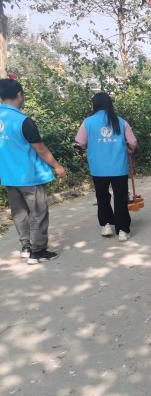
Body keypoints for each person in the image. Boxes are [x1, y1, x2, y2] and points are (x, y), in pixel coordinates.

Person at [0, 78, 66, 264]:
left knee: (19, 214)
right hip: (30, 176)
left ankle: (26, 247)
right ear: (19, 94)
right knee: (38, 213)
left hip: (8, 176)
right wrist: (57, 166)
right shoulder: (23, 121)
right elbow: (41, 149)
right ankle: (38, 252)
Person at [75, 92, 138, 242]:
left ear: (94, 105)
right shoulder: (121, 121)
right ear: (110, 104)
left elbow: (80, 143)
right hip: (119, 168)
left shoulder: (87, 122)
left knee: (102, 197)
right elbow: (133, 142)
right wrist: (130, 150)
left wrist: (91, 146)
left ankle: (106, 225)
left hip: (98, 168)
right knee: (120, 198)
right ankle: (122, 230)